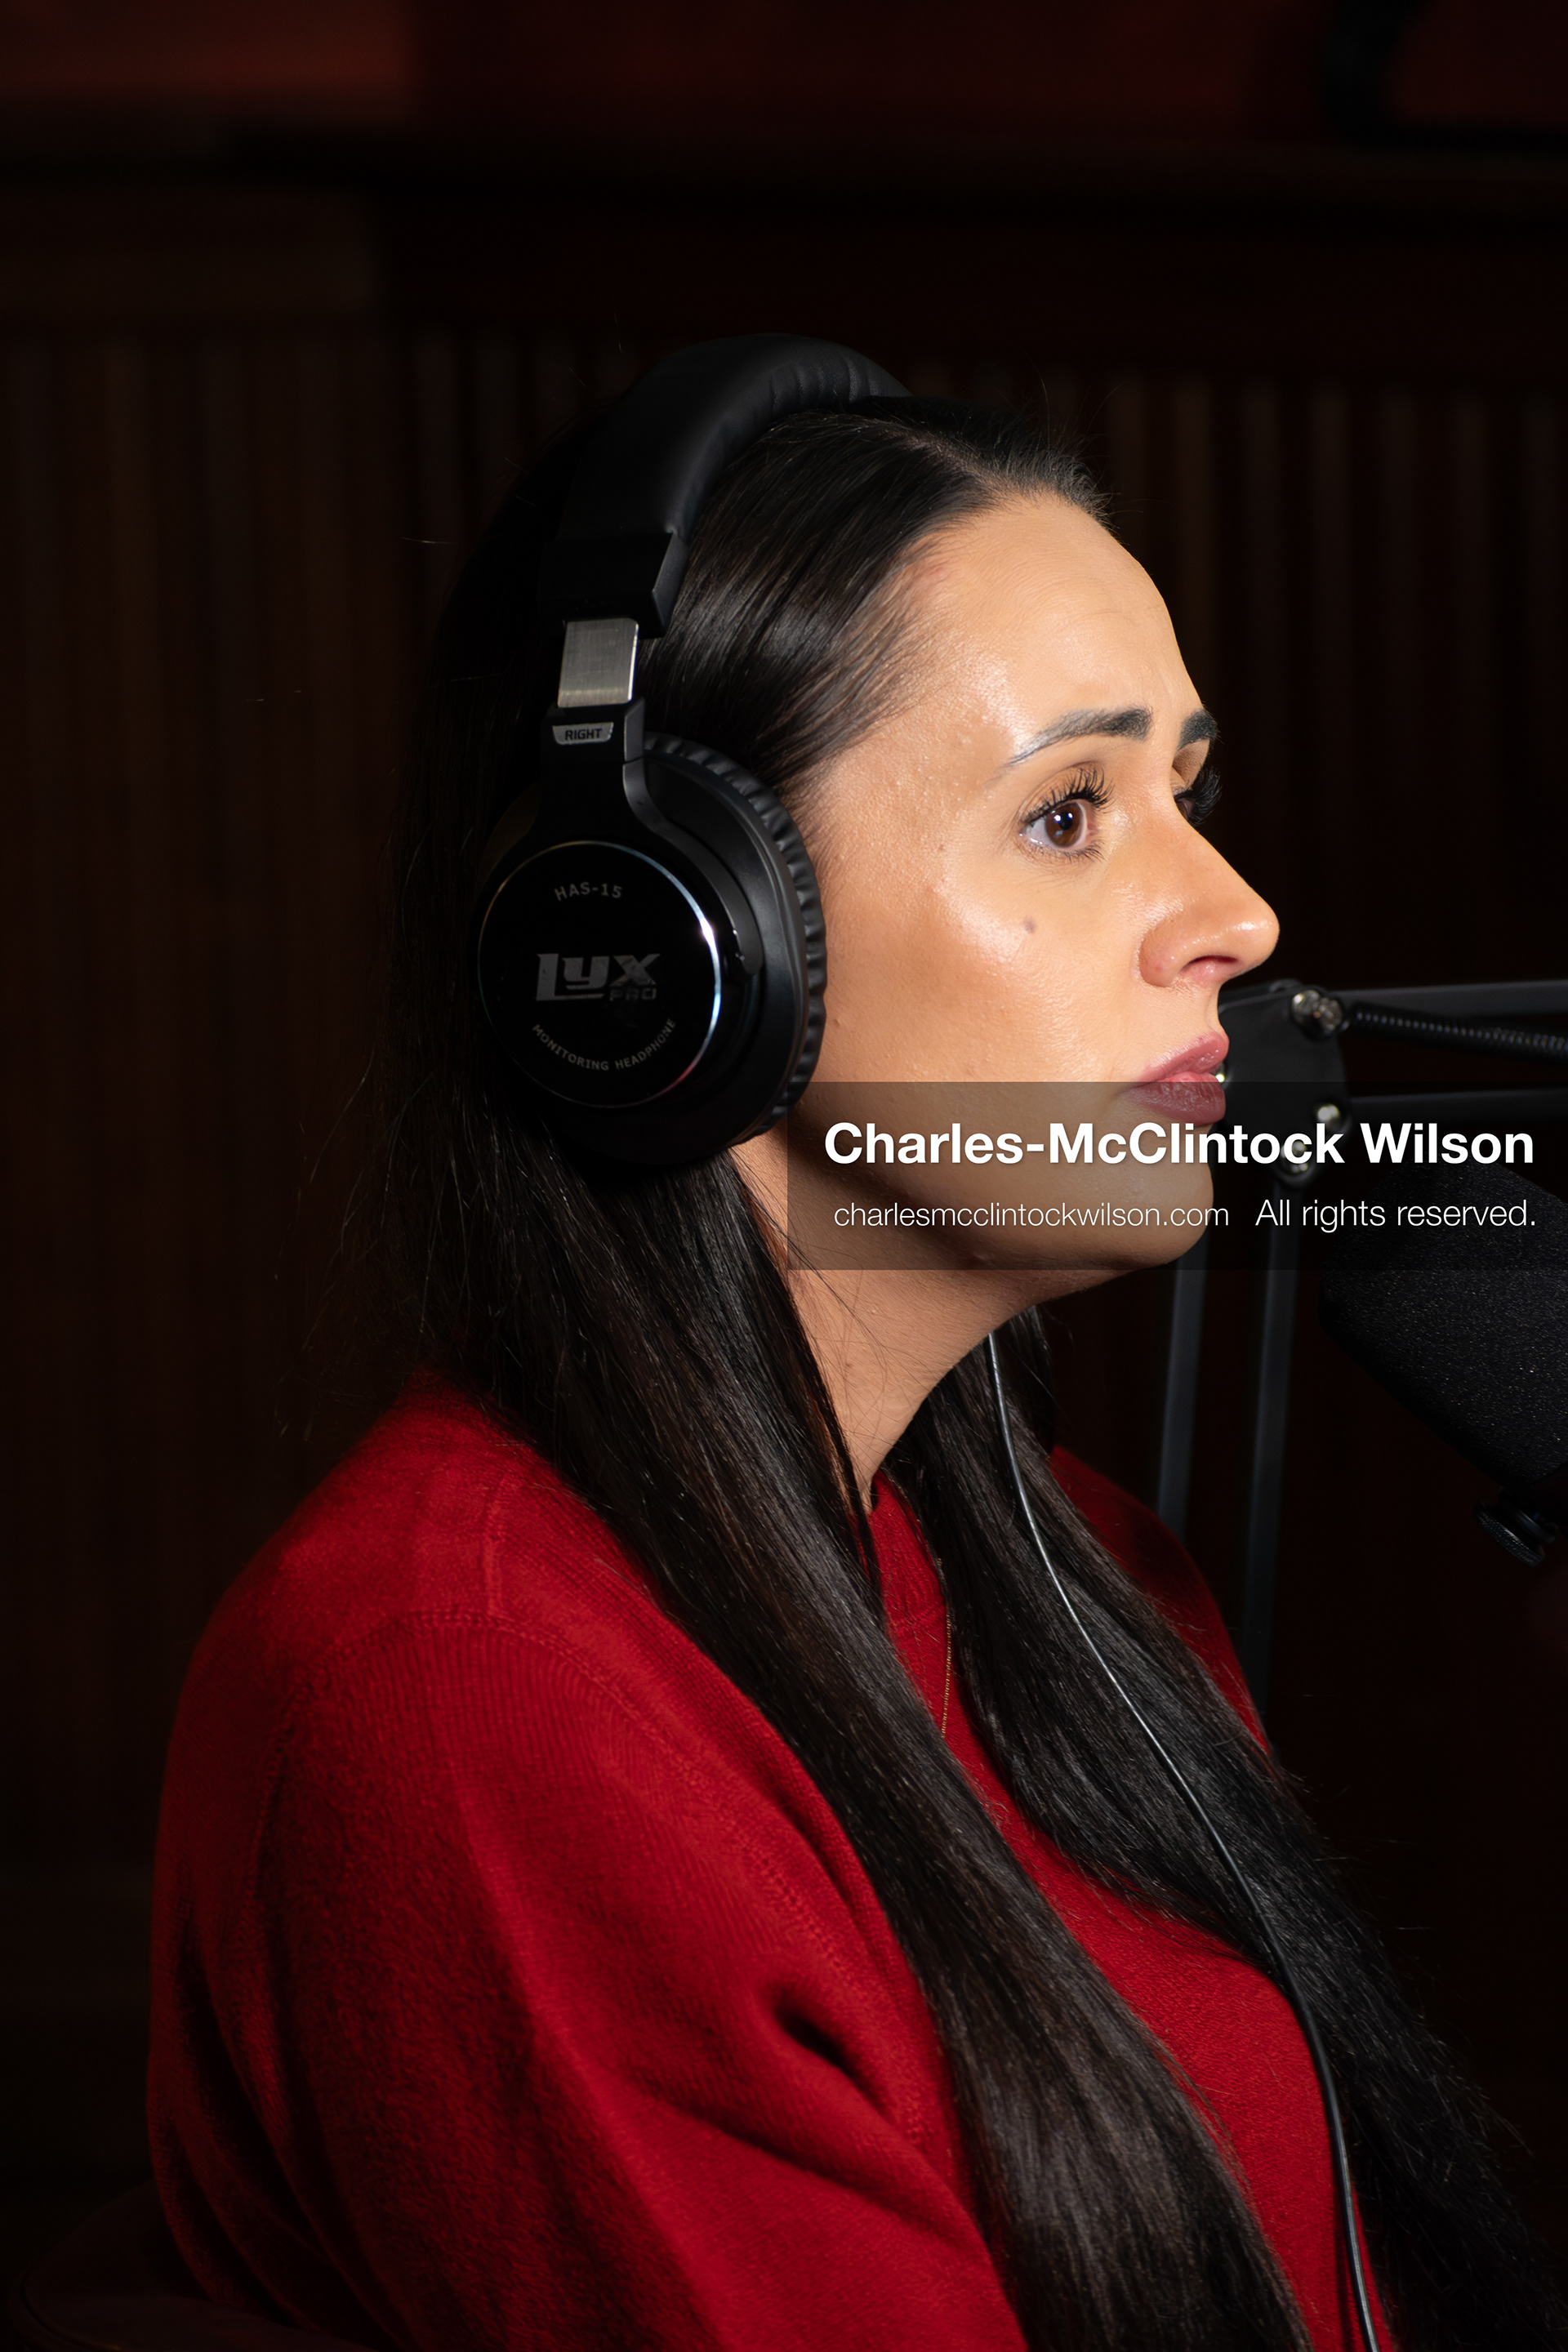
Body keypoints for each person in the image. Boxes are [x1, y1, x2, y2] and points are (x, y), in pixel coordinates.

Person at [147, 350, 1565, 2352]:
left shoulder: (1080, 1582)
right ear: (683, 942)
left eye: (1191, 791)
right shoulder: (467, 1701)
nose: (1234, 913)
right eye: (1071, 813)